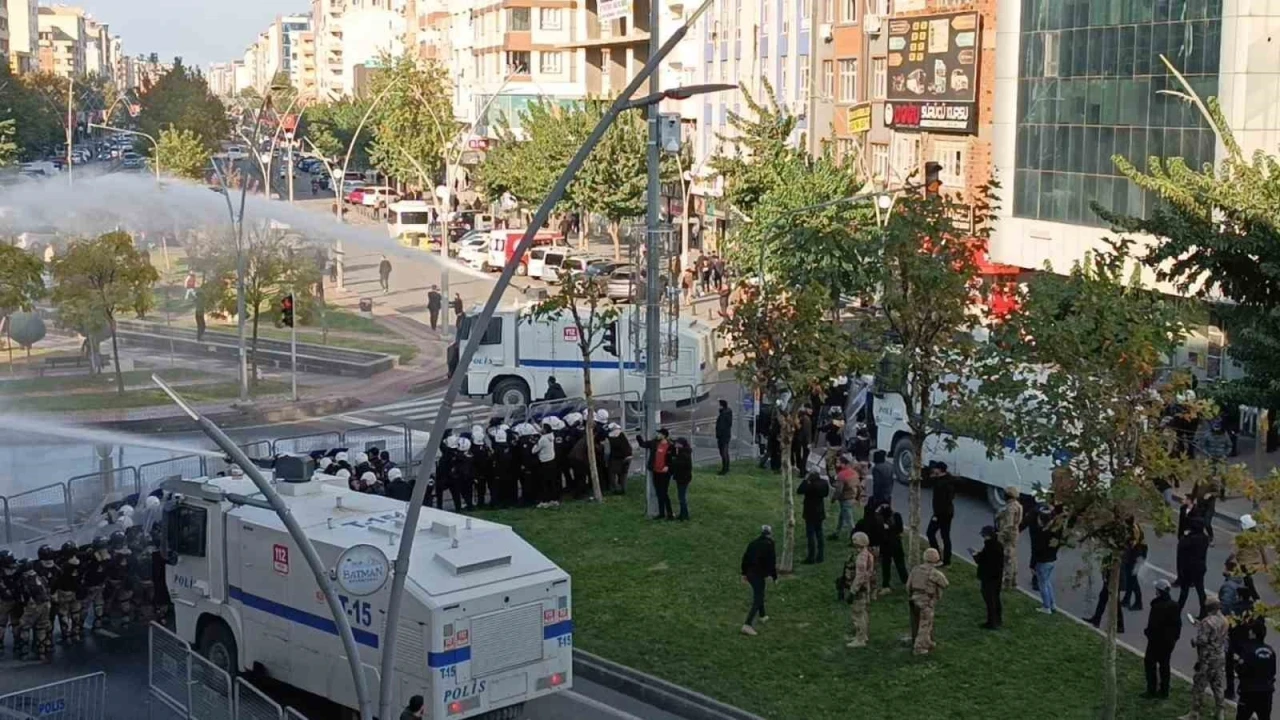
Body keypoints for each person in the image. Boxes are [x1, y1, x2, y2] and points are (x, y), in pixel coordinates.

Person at [1185, 596, 1230, 720]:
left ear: (1208, 608)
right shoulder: (1225, 620)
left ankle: (1194, 713)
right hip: (1219, 656)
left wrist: (1194, 641)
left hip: (1207, 658)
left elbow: (1202, 640)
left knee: (1199, 685)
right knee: (1218, 685)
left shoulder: (1207, 621)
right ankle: (1220, 712)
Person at [1140, 579, 1183, 700]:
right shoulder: (1174, 605)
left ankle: (1151, 689)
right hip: (1169, 642)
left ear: (1159, 591)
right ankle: (1164, 691)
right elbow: (1178, 625)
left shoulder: (1157, 606)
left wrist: (1148, 633)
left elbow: (1154, 625)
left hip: (1155, 641)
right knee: (1164, 665)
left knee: (1150, 663)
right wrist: (1175, 638)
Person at [1222, 561, 1259, 701]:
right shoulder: (1254, 608)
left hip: (1235, 640)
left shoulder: (1235, 607)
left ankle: (1230, 690)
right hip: (1248, 641)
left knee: (1229, 665)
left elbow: (1230, 623)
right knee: (1247, 667)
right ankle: (1245, 690)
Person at [906, 548, 949, 655]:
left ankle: (926, 641)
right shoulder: (934, 573)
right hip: (926, 602)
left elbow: (908, 585)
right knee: (925, 624)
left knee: (916, 622)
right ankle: (919, 647)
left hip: (914, 599)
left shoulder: (916, 569)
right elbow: (945, 584)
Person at [740, 525, 778, 636]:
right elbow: (772, 562)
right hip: (758, 574)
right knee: (758, 598)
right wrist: (774, 576)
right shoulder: (770, 544)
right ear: (770, 533)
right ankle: (747, 625)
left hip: (750, 573)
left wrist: (744, 573)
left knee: (760, 592)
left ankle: (762, 616)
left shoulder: (753, 543)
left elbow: (745, 558)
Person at [1234, 621, 1276, 720]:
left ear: (1253, 633)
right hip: (1266, 692)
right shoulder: (1271, 651)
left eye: (1250, 631)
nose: (1249, 632)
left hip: (1249, 692)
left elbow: (1241, 670)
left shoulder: (1247, 650)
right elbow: (1273, 671)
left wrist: (1237, 664)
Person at [843, 531, 875, 648]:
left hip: (859, 589)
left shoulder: (861, 557)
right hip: (864, 588)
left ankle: (860, 639)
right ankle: (863, 635)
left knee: (857, 614)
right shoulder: (867, 554)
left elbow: (860, 576)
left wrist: (852, 591)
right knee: (863, 612)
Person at [1029, 504, 1061, 614]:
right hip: (1052, 560)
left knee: (1042, 584)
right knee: (1047, 582)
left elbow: (1037, 550)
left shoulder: (1041, 533)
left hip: (1042, 561)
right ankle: (1052, 604)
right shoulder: (1055, 531)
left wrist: (1032, 565)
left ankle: (1046, 606)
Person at [18, 564, 52, 662]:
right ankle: (41, 652)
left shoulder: (26, 579)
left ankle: (24, 652)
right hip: (46, 604)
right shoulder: (40, 577)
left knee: (25, 627)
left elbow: (24, 594)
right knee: (41, 628)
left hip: (34, 604)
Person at [972, 525, 1004, 630]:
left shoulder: (990, 547)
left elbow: (983, 561)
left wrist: (976, 556)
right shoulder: (998, 545)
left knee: (990, 600)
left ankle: (991, 623)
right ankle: (998, 619)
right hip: (997, 577)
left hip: (988, 578)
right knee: (996, 598)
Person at [1178, 519, 1211, 618]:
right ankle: (1203, 612)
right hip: (1200, 566)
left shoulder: (1190, 539)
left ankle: (1178, 610)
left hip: (1188, 567)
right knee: (1200, 590)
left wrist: (1185, 535)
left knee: (1184, 591)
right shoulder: (1204, 538)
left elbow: (1181, 546)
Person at [638, 429, 674, 520]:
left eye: (660, 434)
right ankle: (661, 513)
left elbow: (673, 458)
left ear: (664, 435)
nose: (658, 435)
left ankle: (669, 513)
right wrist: (638, 435)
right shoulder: (654, 443)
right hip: (656, 471)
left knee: (664, 493)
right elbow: (643, 444)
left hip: (665, 473)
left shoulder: (670, 446)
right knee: (658, 492)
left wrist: (668, 466)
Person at [1086, 553, 1127, 633]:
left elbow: (1117, 569)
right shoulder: (1110, 554)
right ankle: (1096, 620)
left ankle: (1119, 625)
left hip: (1114, 581)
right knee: (1104, 599)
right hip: (1110, 580)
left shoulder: (1116, 555)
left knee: (1115, 603)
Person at [796, 471, 830, 564]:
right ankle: (820, 556)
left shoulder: (811, 485)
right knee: (819, 534)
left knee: (811, 535)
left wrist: (805, 480)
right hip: (820, 511)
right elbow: (826, 494)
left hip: (810, 513)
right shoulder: (824, 483)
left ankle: (811, 557)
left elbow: (799, 490)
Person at [926, 462, 956, 566]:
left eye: (935, 469)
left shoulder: (941, 484)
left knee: (930, 533)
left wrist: (936, 516)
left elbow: (940, 501)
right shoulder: (949, 479)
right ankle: (947, 560)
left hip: (941, 513)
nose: (934, 471)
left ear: (939, 470)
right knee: (945, 536)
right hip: (949, 512)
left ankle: (936, 556)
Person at [52, 542, 83, 644]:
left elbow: (57, 579)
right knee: (76, 613)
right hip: (76, 591)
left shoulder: (64, 566)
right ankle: (76, 634)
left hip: (64, 592)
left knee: (64, 614)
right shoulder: (80, 562)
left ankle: (66, 635)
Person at [996, 486, 1023, 590]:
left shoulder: (1010, 508)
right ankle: (1014, 581)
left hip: (1008, 535)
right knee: (1013, 557)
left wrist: (1000, 535)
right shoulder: (1018, 505)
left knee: (1008, 559)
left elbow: (1009, 524)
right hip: (1014, 533)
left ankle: (1007, 582)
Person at [877, 503, 908, 594]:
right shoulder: (897, 516)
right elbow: (900, 529)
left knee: (886, 566)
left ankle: (886, 585)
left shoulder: (880, 521)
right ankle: (907, 582)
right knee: (900, 565)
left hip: (885, 545)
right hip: (897, 544)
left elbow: (879, 534)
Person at [829, 455, 860, 540]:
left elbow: (839, 490)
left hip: (845, 499)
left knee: (849, 520)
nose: (836, 464)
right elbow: (858, 486)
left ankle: (855, 538)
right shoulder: (854, 473)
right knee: (842, 516)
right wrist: (857, 497)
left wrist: (833, 498)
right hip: (852, 497)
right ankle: (837, 533)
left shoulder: (841, 475)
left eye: (838, 462)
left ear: (843, 464)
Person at [535, 422, 559, 508]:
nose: (540, 429)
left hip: (544, 462)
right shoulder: (551, 437)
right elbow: (540, 432)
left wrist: (535, 442)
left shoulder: (542, 440)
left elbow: (534, 450)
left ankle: (545, 501)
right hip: (552, 460)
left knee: (544, 482)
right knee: (552, 481)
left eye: (542, 428)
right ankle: (554, 500)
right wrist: (534, 424)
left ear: (545, 430)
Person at [671, 437, 694, 520]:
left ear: (681, 444)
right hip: (683, 478)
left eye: (677, 443)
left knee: (682, 497)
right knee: (681, 497)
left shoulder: (684, 454)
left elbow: (681, 465)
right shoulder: (684, 451)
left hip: (683, 478)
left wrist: (674, 461)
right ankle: (683, 514)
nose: (675, 445)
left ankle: (685, 515)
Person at [606, 424, 632, 495]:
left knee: (612, 474)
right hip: (627, 457)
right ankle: (623, 489)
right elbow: (628, 445)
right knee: (623, 474)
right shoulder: (622, 434)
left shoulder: (609, 437)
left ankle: (614, 489)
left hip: (615, 458)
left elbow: (607, 451)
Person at [715, 400, 733, 475]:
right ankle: (726, 467)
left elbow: (721, 426)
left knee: (723, 452)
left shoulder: (723, 415)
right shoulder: (727, 413)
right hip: (726, 435)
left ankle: (724, 469)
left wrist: (718, 434)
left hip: (723, 436)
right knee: (725, 452)